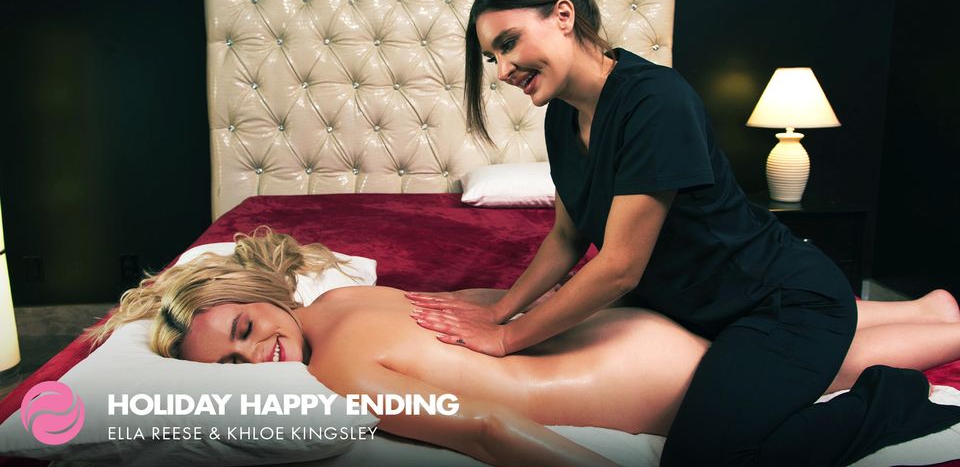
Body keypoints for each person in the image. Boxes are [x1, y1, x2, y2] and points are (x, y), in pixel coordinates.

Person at [405, 0, 960, 465]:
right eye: (492, 58)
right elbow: (567, 237)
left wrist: (507, 340)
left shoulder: (655, 101)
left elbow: (619, 268)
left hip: (780, 302)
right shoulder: (561, 118)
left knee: (703, 456)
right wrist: (501, 310)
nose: (502, 71)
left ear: (563, 16)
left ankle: (890, 401)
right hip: (698, 306)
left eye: (508, 44)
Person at [90, 229, 960, 467]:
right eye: (231, 368)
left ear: (257, 298)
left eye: (245, 332)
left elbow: (487, 432)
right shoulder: (348, 304)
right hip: (634, 336)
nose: (257, 360)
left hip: (649, 372)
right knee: (851, 328)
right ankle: (935, 307)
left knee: (844, 360)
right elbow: (481, 313)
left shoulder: (342, 369)